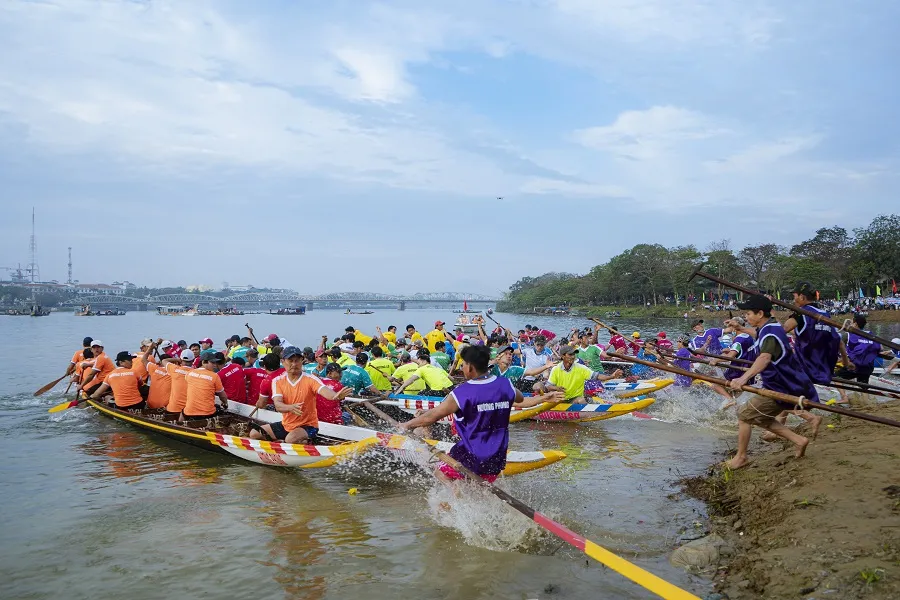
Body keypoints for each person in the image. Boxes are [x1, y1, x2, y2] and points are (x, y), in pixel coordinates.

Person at [398, 345, 556, 483]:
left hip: (472, 456)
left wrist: (407, 425)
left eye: (463, 364)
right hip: (497, 459)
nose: (461, 367)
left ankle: (455, 494)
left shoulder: (462, 392)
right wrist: (542, 398)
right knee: (476, 488)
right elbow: (520, 399)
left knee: (438, 471)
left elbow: (432, 417)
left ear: (470, 367)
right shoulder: (506, 385)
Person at [726, 295, 820, 469]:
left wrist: (742, 378)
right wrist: (741, 328)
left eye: (748, 313)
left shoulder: (769, 332)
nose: (746, 316)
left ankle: (741, 457)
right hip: (785, 384)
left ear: (760, 313)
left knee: (744, 415)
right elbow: (758, 335)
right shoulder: (771, 327)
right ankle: (799, 440)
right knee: (760, 417)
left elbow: (765, 357)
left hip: (781, 386)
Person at [249, 346, 351, 443]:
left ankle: (306, 441)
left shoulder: (310, 379)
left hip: (308, 426)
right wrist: (290, 407)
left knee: (290, 439)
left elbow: (325, 391)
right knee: (254, 433)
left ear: (302, 361)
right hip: (287, 425)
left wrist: (336, 396)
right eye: (290, 360)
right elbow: (278, 405)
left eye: (297, 360)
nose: (294, 364)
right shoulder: (277, 381)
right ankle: (283, 443)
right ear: (283, 362)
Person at [783, 281, 841, 385]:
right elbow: (836, 340)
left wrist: (770, 313)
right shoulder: (825, 315)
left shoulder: (801, 313)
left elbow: (782, 330)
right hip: (824, 372)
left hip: (805, 370)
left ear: (802, 297)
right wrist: (846, 361)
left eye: (794, 296)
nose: (793, 300)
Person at [543, 345, 624, 402]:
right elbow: (548, 387)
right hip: (560, 399)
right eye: (570, 354)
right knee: (539, 387)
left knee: (581, 400)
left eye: (574, 354)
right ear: (563, 356)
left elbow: (597, 376)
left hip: (575, 399)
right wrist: (556, 388)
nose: (573, 356)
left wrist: (611, 376)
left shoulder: (580, 367)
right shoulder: (556, 369)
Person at [835, 314, 881, 402]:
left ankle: (844, 397)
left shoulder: (847, 335)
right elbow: (880, 348)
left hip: (854, 366)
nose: (850, 324)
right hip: (868, 367)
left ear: (855, 324)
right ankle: (866, 403)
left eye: (852, 322)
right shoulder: (871, 334)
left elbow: (839, 348)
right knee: (863, 386)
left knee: (837, 378)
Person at [183, 350, 228, 419]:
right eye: (212, 363)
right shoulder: (214, 376)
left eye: (215, 363)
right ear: (204, 362)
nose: (215, 365)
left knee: (183, 411)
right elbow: (223, 396)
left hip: (189, 413)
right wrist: (225, 403)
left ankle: (181, 423)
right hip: (207, 413)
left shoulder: (189, 373)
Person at [491, 345, 556, 385]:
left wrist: (545, 366)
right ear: (499, 356)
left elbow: (531, 372)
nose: (509, 356)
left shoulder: (515, 369)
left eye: (510, 354)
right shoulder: (491, 368)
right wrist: (495, 361)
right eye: (506, 354)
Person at [165, 349, 194, 415]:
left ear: (181, 360)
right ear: (192, 361)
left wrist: (177, 359)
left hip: (173, 409)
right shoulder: (196, 373)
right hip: (188, 410)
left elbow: (164, 360)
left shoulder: (174, 369)